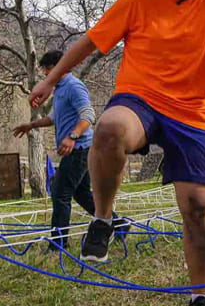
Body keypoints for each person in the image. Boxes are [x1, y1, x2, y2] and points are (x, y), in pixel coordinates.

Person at [28, 0, 205, 306]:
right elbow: (89, 42)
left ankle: (199, 295)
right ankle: (102, 219)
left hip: (190, 112)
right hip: (141, 100)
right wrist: (50, 80)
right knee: (108, 129)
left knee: (198, 208)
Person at [12, 50, 127, 252]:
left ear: (58, 68)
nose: (46, 76)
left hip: (81, 148)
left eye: (47, 70)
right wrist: (31, 125)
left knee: (60, 192)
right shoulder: (59, 90)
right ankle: (118, 225)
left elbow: (88, 115)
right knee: (81, 194)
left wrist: (72, 137)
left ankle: (58, 243)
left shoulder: (74, 87)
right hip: (79, 149)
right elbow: (54, 117)